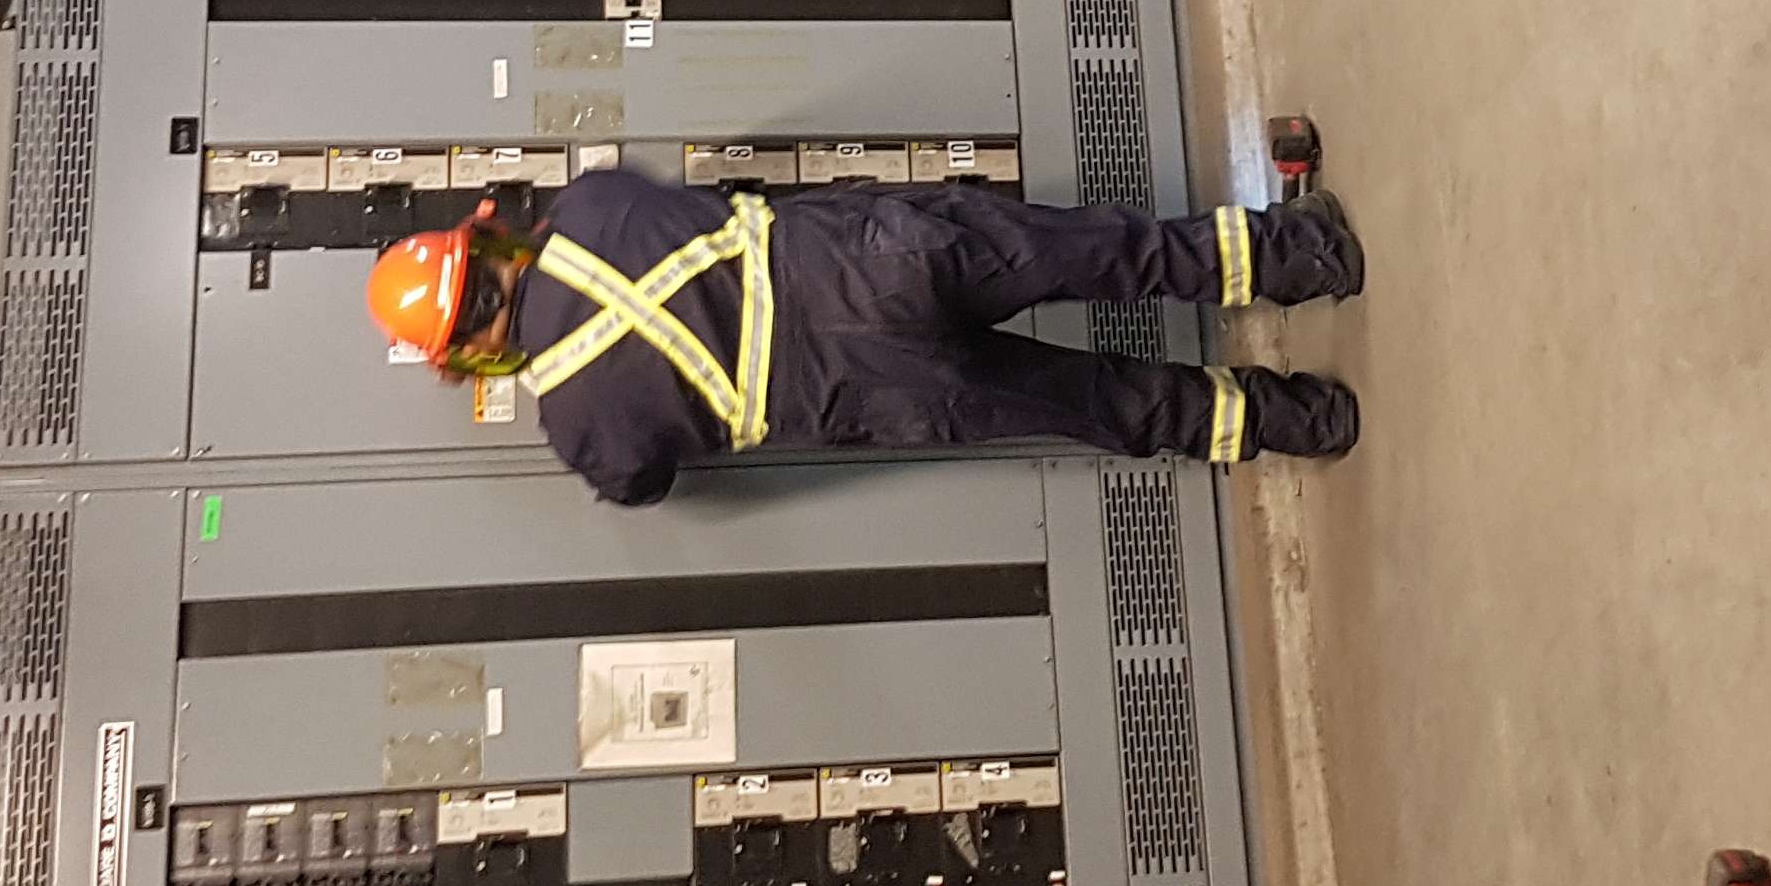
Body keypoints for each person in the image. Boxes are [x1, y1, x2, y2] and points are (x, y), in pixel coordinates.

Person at [364, 167, 1366, 507]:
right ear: (489, 237)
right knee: (1108, 253)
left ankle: (1304, 420)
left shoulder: (580, 429)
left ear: (471, 356)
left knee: (1093, 403)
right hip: (874, 259)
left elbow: (644, 485)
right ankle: (1305, 256)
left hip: (874, 388)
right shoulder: (589, 205)